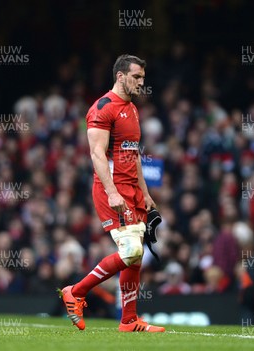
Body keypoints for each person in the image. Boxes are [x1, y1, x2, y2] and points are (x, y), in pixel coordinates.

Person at [58, 54, 164, 332]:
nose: (142, 82)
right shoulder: (102, 108)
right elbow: (96, 153)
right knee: (131, 250)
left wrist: (145, 191)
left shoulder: (132, 109)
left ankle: (129, 320)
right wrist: (112, 192)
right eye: (137, 77)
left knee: (136, 256)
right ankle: (76, 291)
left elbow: (134, 155)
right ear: (120, 76)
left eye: (143, 77)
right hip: (113, 190)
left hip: (133, 190)